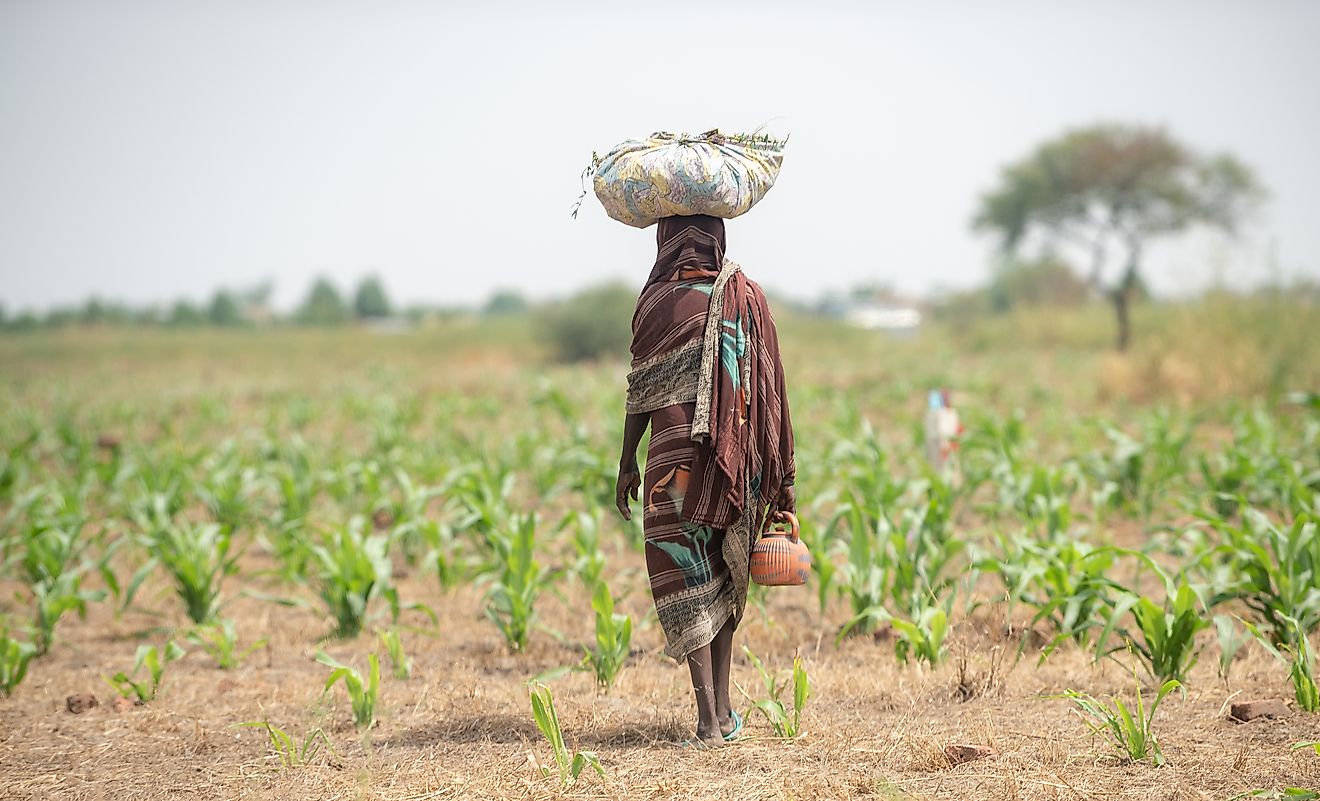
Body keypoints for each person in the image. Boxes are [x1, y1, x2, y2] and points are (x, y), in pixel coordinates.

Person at [614, 214, 796, 748]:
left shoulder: (654, 304)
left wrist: (627, 463)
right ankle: (725, 706)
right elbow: (769, 387)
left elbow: (639, 395)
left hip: (672, 468)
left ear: (665, 240)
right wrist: (779, 474)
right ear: (718, 236)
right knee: (723, 573)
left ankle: (707, 718)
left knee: (689, 581)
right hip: (731, 462)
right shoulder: (746, 297)